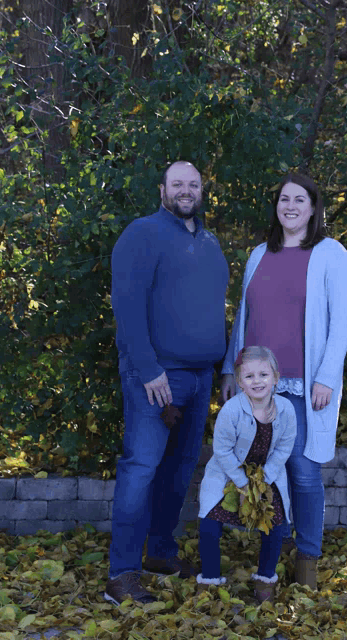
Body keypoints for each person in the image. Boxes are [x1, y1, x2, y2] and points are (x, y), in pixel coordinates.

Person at [221, 173, 347, 590]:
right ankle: (269, 562)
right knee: (265, 475)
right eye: (284, 199)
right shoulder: (259, 254)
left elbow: (343, 320)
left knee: (302, 474)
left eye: (300, 200)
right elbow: (243, 319)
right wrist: (231, 368)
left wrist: (327, 377)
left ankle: (308, 563)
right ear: (276, 206)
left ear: (314, 208)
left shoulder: (331, 254)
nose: (291, 206)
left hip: (304, 387)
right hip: (260, 388)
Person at [105, 161, 229, 605]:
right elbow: (127, 305)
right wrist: (148, 367)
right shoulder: (142, 233)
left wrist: (226, 369)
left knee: (178, 473)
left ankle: (160, 552)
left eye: (193, 184)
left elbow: (216, 307)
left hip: (200, 377)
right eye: (177, 183)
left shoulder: (210, 242)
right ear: (162, 189)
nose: (186, 190)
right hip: (155, 377)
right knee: (141, 469)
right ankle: (121, 574)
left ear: (201, 190)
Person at [198, 346, 296, 603]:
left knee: (275, 523)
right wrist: (243, 485)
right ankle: (209, 580)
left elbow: (284, 447)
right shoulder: (231, 410)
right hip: (229, 475)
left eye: (263, 375)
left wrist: (264, 482)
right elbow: (222, 450)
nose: (257, 381)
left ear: (276, 377)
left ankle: (265, 579)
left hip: (267, 477)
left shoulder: (285, 410)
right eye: (249, 376)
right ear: (240, 382)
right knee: (209, 520)